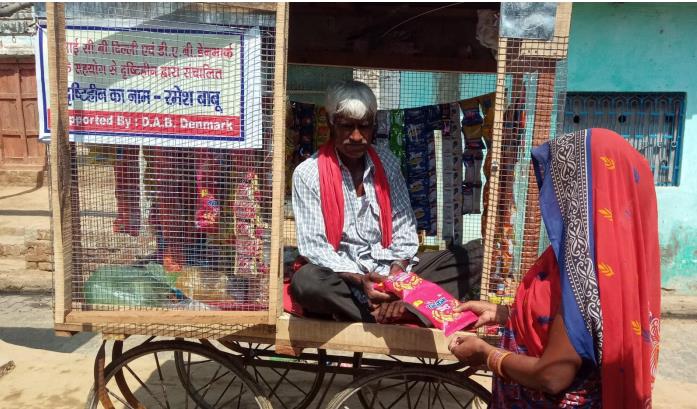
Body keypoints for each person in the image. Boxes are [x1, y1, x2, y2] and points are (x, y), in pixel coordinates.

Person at [448, 128, 661, 408]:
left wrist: (486, 354)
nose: (551, 194)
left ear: (585, 192)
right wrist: (505, 314)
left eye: (563, 183)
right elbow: (580, 328)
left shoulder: (584, 268)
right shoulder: (618, 260)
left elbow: (553, 375)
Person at [290, 80, 481, 324]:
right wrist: (361, 281)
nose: (357, 136)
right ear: (331, 124)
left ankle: (391, 307)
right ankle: (398, 310)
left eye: (364, 127)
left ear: (374, 126)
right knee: (307, 282)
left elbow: (404, 230)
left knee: (476, 255)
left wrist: (397, 272)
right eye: (347, 127)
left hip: (391, 274)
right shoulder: (308, 173)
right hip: (346, 280)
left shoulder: (387, 162)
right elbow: (315, 247)